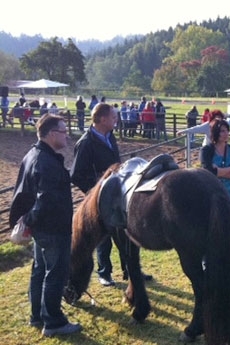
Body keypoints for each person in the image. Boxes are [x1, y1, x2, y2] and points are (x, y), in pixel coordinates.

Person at [11, 114, 82, 336]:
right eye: (63, 131)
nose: (66, 135)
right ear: (52, 134)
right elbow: (46, 200)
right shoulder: (46, 162)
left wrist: (29, 222)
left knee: (39, 271)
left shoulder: (34, 154)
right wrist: (30, 220)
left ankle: (37, 316)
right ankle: (53, 322)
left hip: (42, 229)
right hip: (53, 229)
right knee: (55, 273)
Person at [70, 103, 152, 286]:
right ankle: (104, 273)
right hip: (99, 199)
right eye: (113, 117)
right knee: (104, 238)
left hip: (118, 194)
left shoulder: (110, 137)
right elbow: (76, 174)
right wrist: (95, 193)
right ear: (102, 119)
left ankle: (131, 272)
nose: (116, 119)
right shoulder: (85, 143)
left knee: (126, 234)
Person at [200, 119, 230, 207]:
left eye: (227, 130)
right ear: (215, 132)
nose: (226, 133)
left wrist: (218, 170)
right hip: (212, 192)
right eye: (222, 131)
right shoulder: (206, 150)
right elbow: (208, 172)